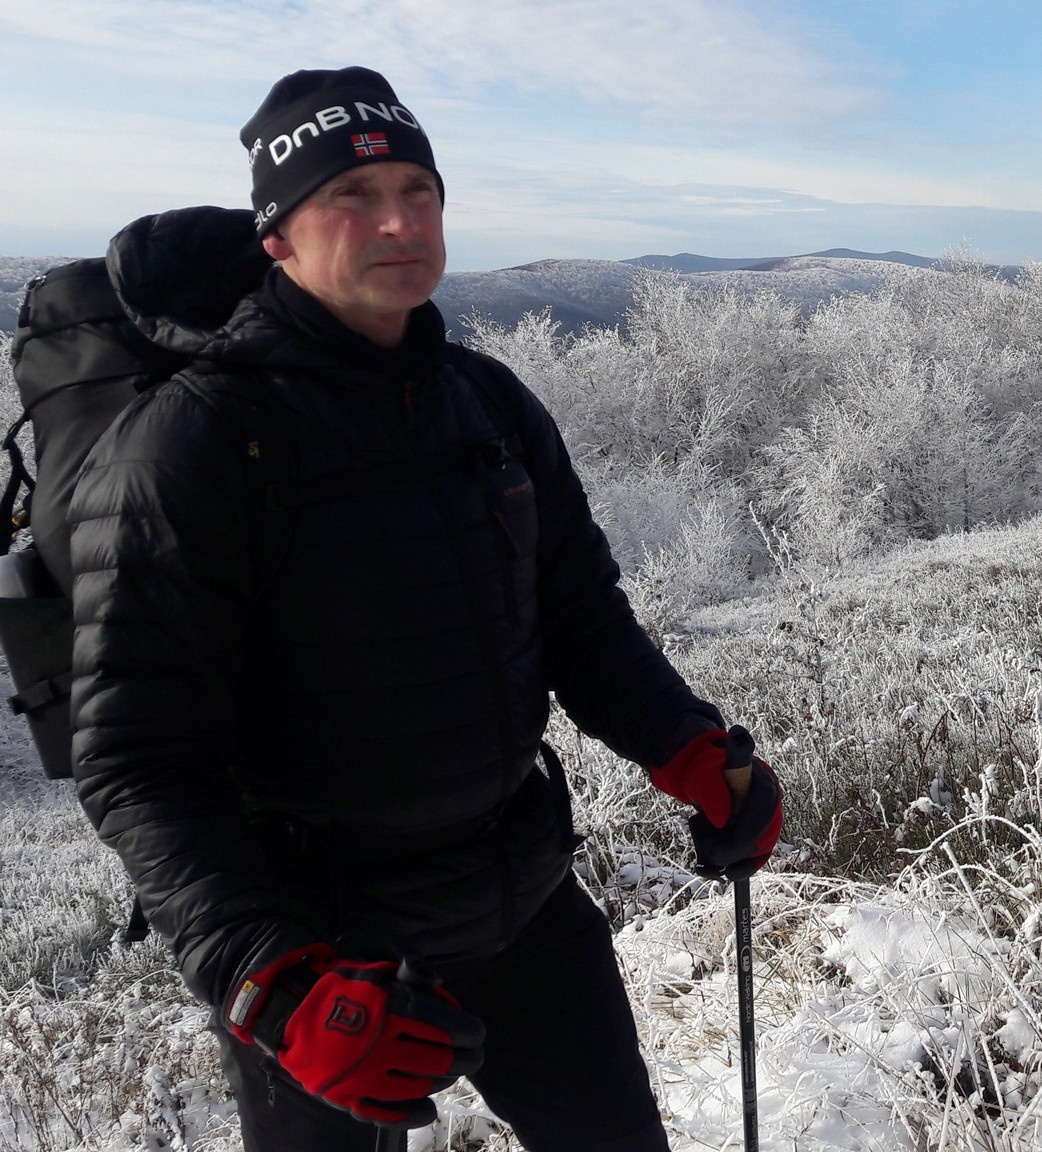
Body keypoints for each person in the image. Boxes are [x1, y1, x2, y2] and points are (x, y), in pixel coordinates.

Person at [63, 66, 780, 1151]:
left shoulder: (484, 402)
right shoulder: (193, 444)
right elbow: (137, 757)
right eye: (351, 197)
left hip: (524, 897)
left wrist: (685, 745)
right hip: (326, 955)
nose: (398, 221)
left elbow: (579, 616)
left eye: (418, 190)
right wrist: (271, 981)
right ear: (278, 236)